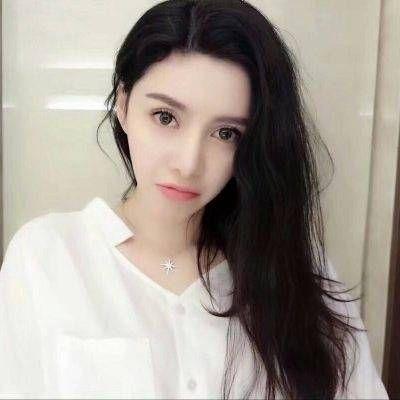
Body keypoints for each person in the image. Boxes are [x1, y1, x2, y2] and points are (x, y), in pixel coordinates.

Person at [0, 0, 390, 399]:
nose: (188, 164)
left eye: (226, 133)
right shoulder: (46, 257)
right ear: (123, 104)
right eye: (165, 117)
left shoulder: (293, 267)